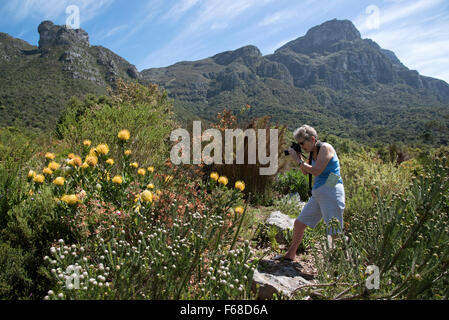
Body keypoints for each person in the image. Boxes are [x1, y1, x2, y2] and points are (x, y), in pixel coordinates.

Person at [279, 125, 345, 261]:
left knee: (334, 230)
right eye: (299, 144)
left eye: (302, 143)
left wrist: (299, 161)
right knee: (299, 223)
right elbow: (305, 171)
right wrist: (298, 157)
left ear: (313, 139)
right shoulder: (312, 153)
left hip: (331, 190)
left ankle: (340, 264)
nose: (301, 146)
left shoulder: (325, 147)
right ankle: (290, 254)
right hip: (319, 193)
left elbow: (317, 171)